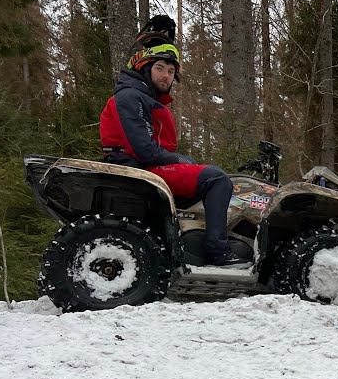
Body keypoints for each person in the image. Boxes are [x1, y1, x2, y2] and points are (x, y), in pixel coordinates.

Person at [98, 17, 246, 267]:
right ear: (144, 67)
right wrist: (180, 160)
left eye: (170, 71)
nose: (166, 76)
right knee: (217, 180)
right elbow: (145, 149)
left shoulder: (143, 97)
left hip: (145, 165)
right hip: (139, 167)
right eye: (160, 68)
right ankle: (217, 251)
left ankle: (193, 238)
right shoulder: (131, 97)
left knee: (207, 175)